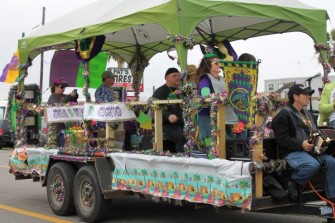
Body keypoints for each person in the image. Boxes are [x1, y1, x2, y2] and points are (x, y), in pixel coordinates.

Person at [272, 84, 335, 201]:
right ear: (295, 96)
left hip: (310, 152)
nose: (309, 97)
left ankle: (332, 197)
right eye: (305, 94)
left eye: (309, 94)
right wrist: (301, 144)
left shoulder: (307, 114)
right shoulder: (283, 115)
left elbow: (314, 133)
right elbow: (282, 140)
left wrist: (323, 143)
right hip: (291, 153)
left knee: (332, 162)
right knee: (312, 165)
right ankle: (291, 181)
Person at [152, 67, 186, 152]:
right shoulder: (160, 92)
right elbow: (153, 108)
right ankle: (182, 159)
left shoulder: (181, 92)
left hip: (179, 123)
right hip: (165, 125)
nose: (177, 78)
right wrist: (168, 116)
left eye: (179, 76)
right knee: (180, 136)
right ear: (166, 78)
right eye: (174, 76)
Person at [197, 54, 227, 144]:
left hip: (222, 116)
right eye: (216, 62)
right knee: (212, 147)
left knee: (223, 145)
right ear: (208, 64)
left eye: (220, 62)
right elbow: (205, 94)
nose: (219, 64)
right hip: (207, 117)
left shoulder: (222, 79)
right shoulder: (205, 79)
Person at [45, 79, 78, 148]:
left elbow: (73, 100)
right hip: (55, 127)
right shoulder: (52, 97)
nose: (63, 89)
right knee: (56, 144)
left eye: (64, 87)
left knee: (65, 143)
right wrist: (69, 96)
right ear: (56, 87)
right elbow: (59, 105)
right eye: (62, 87)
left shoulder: (64, 96)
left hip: (64, 125)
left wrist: (74, 95)